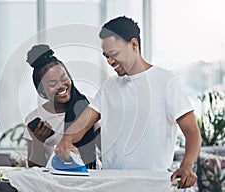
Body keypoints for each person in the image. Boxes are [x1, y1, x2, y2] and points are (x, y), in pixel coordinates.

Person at [55, 16, 202, 189]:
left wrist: (186, 166)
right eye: (106, 56)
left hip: (153, 186)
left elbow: (192, 133)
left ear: (134, 45)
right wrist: (66, 139)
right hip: (112, 184)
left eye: (114, 54)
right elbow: (82, 124)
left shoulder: (166, 81)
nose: (109, 62)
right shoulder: (110, 86)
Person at [24, 44, 100, 169]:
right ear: (42, 90)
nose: (61, 85)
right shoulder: (34, 118)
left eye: (64, 78)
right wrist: (39, 141)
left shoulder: (90, 107)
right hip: (53, 184)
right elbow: (34, 168)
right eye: (53, 83)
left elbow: (106, 151)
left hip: (89, 181)